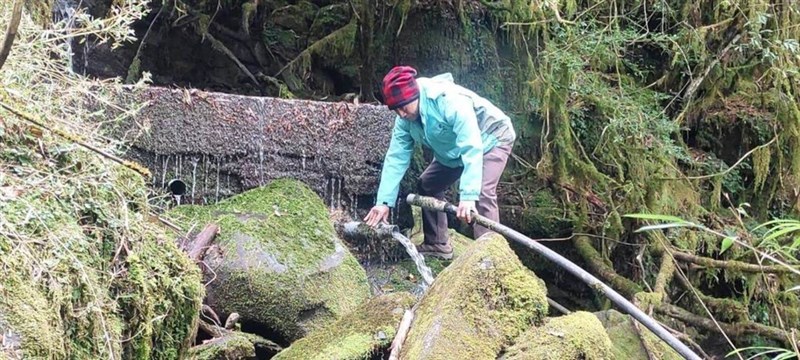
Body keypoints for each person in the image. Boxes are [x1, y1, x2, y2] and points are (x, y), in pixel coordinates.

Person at [363, 66, 516, 260]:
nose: (401, 114)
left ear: (415, 95)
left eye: (404, 107)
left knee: (481, 193)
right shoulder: (404, 119)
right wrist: (384, 202)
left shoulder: (447, 100)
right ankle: (437, 244)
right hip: (453, 151)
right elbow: (396, 157)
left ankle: (490, 259)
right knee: (428, 184)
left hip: (491, 138)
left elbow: (471, 145)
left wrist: (468, 195)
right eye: (396, 110)